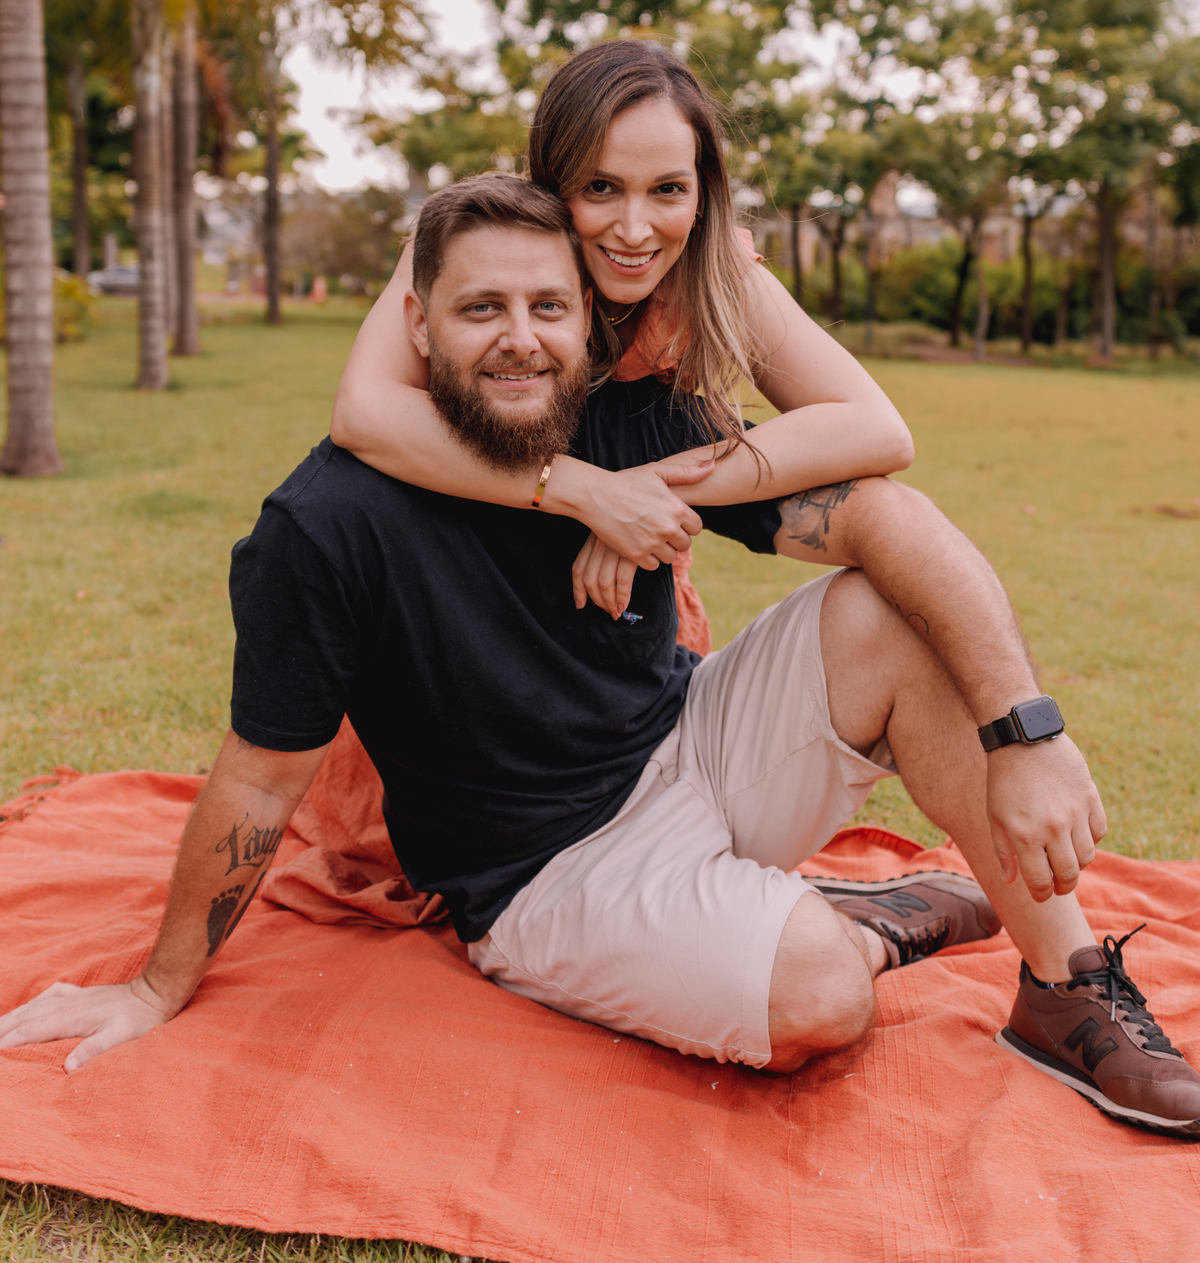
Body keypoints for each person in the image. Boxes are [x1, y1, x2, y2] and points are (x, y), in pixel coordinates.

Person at [3, 175, 1197, 1141]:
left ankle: (1067, 987)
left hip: (691, 752)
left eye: (547, 309)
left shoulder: (630, 425)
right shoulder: (325, 526)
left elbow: (886, 512)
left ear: (589, 319)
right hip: (542, 872)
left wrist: (1026, 730)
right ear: (416, 324)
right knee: (822, 999)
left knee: (886, 611)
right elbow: (261, 781)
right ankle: (870, 921)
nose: (520, 342)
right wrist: (159, 985)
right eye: (481, 311)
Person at [330, 38, 917, 650]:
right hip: (463, 594)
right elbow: (362, 412)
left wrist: (648, 487)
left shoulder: (714, 271)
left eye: (667, 189)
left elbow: (877, 429)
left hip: (619, 622)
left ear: (700, 193)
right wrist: (587, 490)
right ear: (552, 182)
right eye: (601, 187)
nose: (635, 231)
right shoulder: (471, 240)